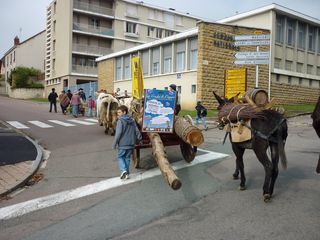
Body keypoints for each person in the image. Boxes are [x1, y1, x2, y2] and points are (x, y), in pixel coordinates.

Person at [112, 105, 142, 180]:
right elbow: (137, 131)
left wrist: (114, 144)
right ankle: (127, 173)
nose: (118, 114)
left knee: (120, 157)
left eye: (119, 112)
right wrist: (140, 139)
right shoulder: (132, 120)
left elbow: (118, 133)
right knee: (127, 158)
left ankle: (123, 170)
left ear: (124, 112)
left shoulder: (120, 121)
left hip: (123, 144)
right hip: (131, 143)